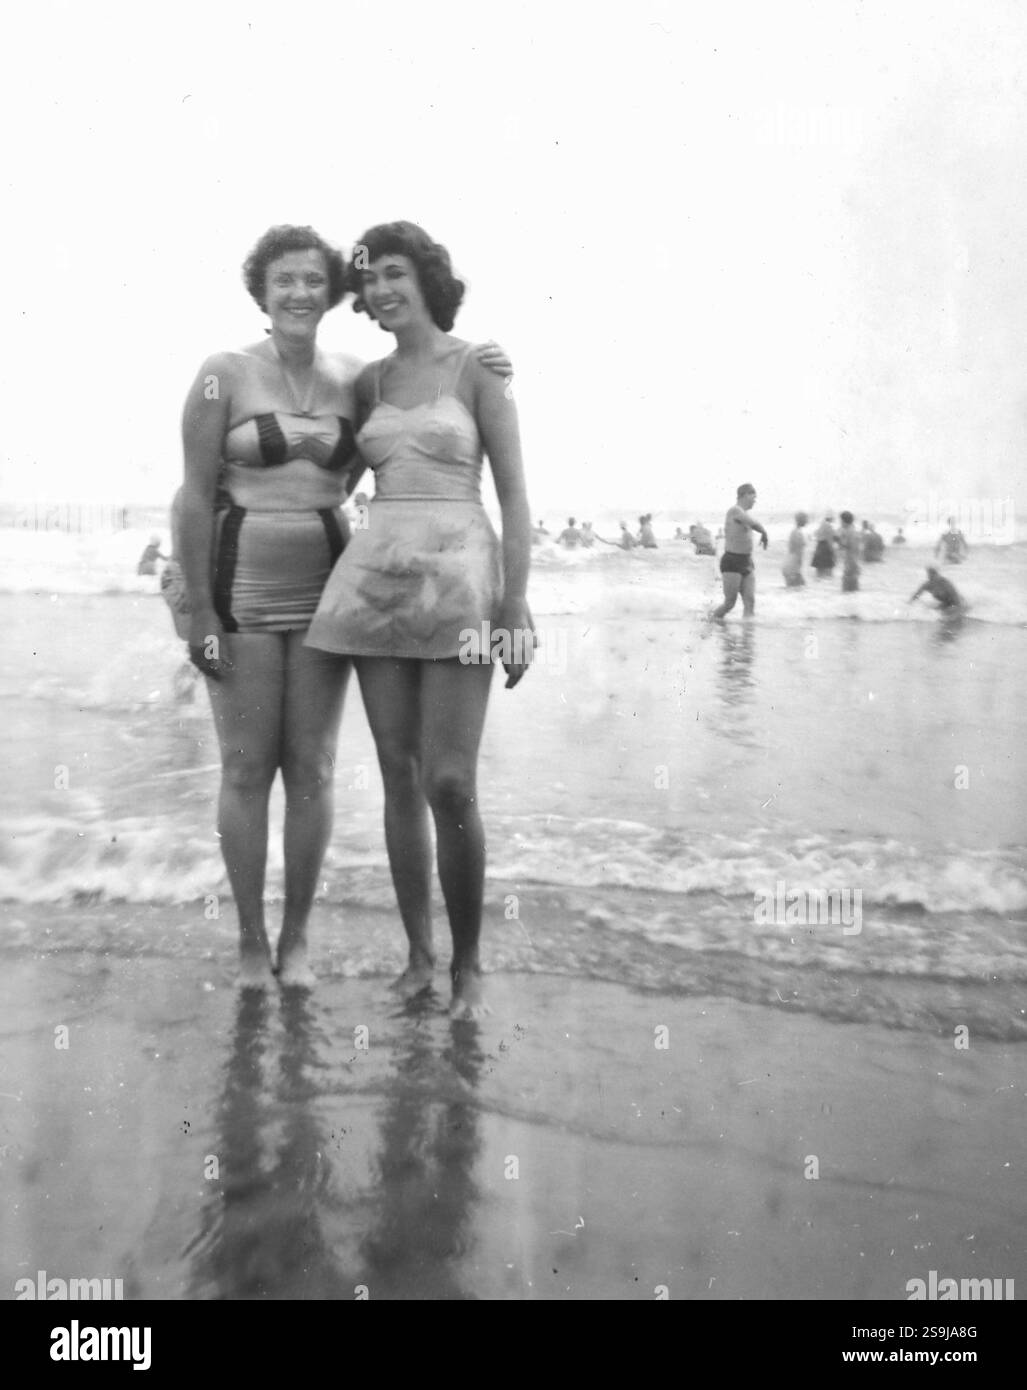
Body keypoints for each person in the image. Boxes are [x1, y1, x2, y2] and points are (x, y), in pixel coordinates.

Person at [178, 224, 510, 991]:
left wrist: (490, 362)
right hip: (240, 583)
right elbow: (192, 495)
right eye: (283, 280)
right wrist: (197, 609)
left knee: (315, 768)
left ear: (332, 294)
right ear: (261, 291)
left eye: (312, 281)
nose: (299, 293)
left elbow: (398, 447)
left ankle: (296, 942)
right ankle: (250, 945)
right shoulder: (223, 374)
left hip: (332, 587)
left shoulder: (354, 381)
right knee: (246, 766)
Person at [305, 221, 533, 1021]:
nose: (381, 289)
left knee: (450, 780)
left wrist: (515, 603)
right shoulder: (366, 383)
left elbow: (514, 495)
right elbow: (329, 475)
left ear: (426, 278)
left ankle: (468, 964)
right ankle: (418, 958)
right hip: (375, 582)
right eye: (369, 280)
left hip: (461, 580)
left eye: (394, 272)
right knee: (398, 773)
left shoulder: (479, 368)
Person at [710, 483, 767, 619]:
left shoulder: (744, 513)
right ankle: (711, 621)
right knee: (730, 603)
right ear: (745, 495)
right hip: (732, 561)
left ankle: (748, 630)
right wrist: (764, 532)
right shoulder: (734, 511)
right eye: (753, 497)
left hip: (747, 561)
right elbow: (753, 523)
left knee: (750, 602)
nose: (755, 501)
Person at [782, 511, 808, 587]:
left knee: (795, 589)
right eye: (806, 519)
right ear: (802, 520)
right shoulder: (798, 533)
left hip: (789, 564)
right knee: (799, 588)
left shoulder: (795, 531)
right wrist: (799, 568)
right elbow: (798, 552)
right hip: (792, 566)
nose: (807, 521)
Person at [836, 510, 860, 592]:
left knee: (846, 589)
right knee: (853, 590)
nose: (840, 523)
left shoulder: (849, 532)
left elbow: (846, 545)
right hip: (854, 563)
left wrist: (838, 540)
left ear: (844, 521)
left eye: (841, 521)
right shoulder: (853, 530)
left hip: (850, 563)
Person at [811, 512, 837, 578]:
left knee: (819, 572)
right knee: (828, 572)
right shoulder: (829, 527)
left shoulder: (821, 525)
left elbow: (815, 534)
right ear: (831, 519)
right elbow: (830, 540)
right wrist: (833, 552)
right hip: (826, 548)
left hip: (819, 548)